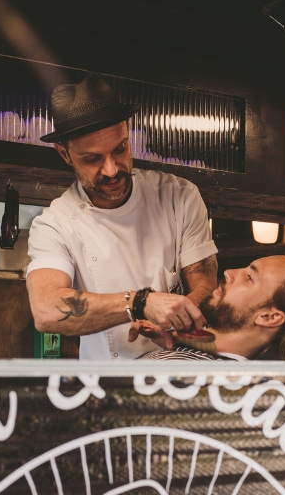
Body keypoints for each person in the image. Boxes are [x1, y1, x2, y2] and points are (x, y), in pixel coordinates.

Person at [24, 76, 219, 360]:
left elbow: (204, 282)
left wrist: (174, 319)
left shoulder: (179, 196)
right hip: (107, 386)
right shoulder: (55, 225)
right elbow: (46, 311)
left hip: (181, 369)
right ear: (65, 154)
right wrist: (140, 303)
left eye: (120, 149)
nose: (112, 169)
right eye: (92, 159)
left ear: (127, 133)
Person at [139, 252, 285, 361]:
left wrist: (135, 301)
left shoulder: (200, 380)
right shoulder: (200, 358)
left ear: (269, 317)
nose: (228, 272)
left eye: (249, 277)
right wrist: (175, 337)